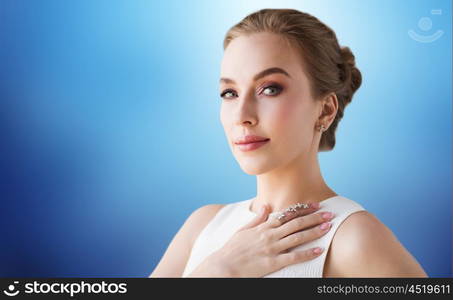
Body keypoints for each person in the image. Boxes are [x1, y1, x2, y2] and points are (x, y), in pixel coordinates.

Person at [149, 8, 427, 278]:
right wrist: (218, 271)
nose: (242, 116)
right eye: (230, 92)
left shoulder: (352, 238)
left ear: (325, 110)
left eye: (270, 89)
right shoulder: (203, 225)